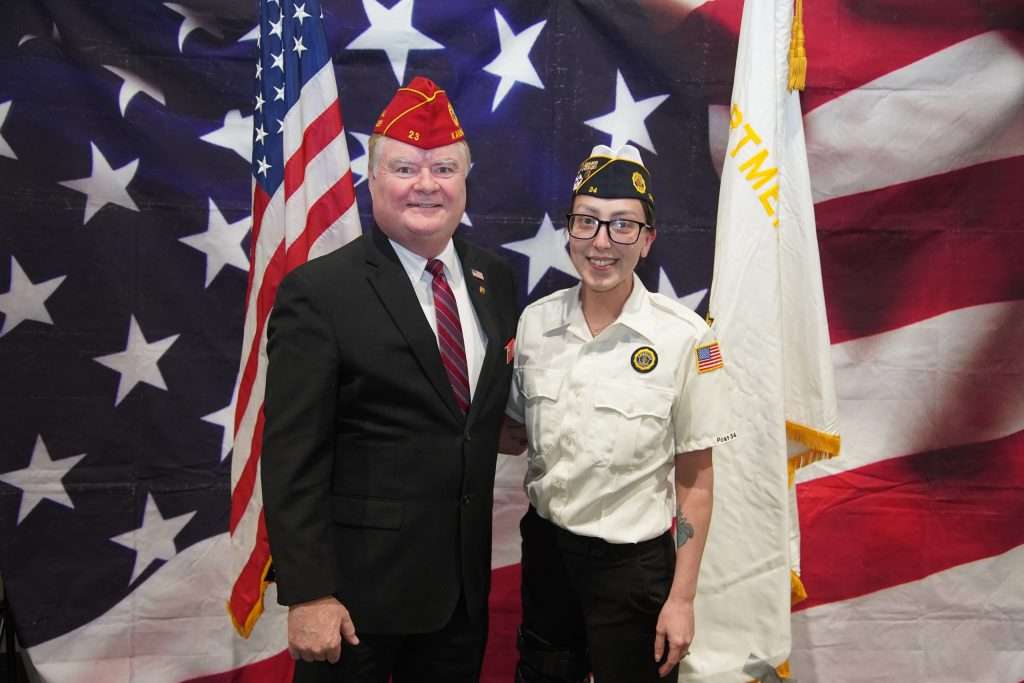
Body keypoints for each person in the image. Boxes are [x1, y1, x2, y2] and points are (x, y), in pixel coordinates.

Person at [261, 76, 520, 682]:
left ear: (465, 181)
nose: (426, 185)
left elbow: (476, 419)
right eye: (405, 168)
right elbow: (292, 453)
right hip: (353, 604)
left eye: (444, 169)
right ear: (372, 179)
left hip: (460, 597)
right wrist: (309, 593)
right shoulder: (319, 292)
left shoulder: (494, 280)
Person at [507, 144, 734, 682]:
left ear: (648, 239)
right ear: (569, 232)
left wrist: (682, 598)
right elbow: (513, 434)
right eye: (586, 221)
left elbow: (696, 479)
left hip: (632, 570)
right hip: (547, 556)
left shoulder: (688, 339)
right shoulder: (535, 324)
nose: (602, 242)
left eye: (623, 225)